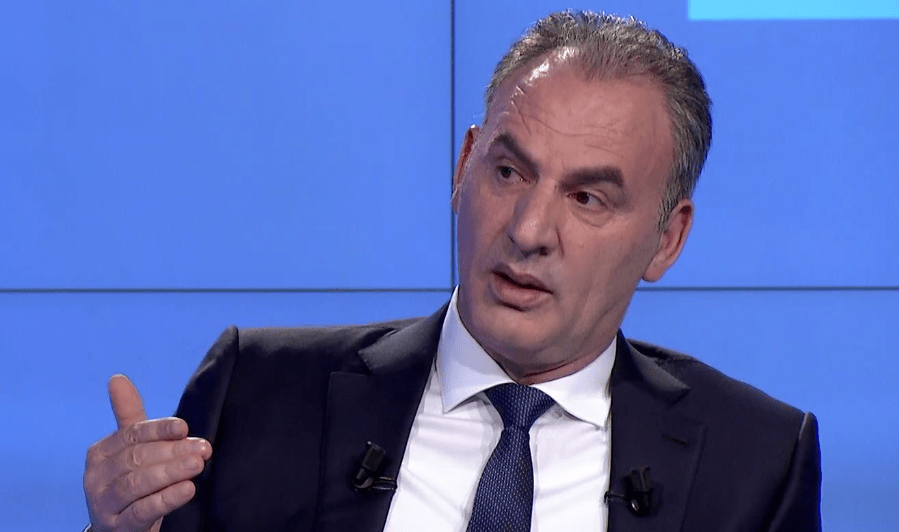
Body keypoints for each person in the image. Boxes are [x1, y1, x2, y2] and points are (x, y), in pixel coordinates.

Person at [82, 10, 821, 532]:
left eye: (587, 198)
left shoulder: (755, 464)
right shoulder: (256, 395)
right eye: (508, 171)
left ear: (667, 238)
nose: (528, 231)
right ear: (465, 165)